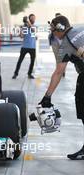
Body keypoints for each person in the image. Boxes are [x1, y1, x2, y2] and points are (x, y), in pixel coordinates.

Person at [39, 15, 84, 160]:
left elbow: (59, 72)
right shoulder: (81, 29)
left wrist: (47, 96)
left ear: (60, 29)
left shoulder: (65, 44)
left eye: (53, 29)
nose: (53, 33)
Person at [12, 14, 37, 79]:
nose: (33, 19)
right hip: (24, 47)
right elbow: (21, 36)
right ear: (29, 19)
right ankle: (15, 73)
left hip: (32, 47)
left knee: (32, 61)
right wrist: (21, 30)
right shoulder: (24, 27)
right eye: (32, 18)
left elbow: (33, 30)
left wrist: (28, 23)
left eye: (34, 18)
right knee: (20, 61)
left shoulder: (35, 26)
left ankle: (29, 74)